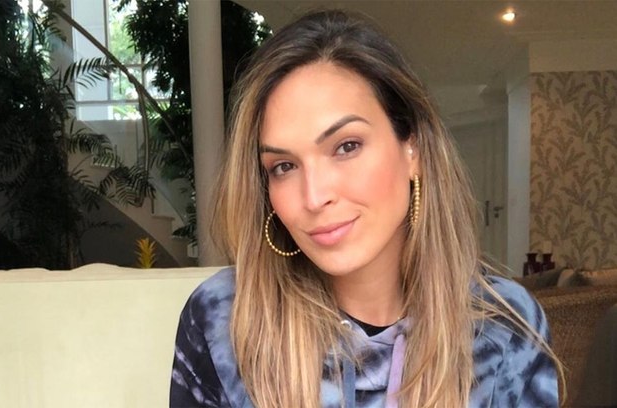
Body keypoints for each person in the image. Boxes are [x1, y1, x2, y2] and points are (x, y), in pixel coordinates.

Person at [170, 9, 563, 408]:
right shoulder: (224, 321)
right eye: (284, 166)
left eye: (346, 146)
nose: (314, 196)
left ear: (413, 148)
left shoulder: (505, 329)